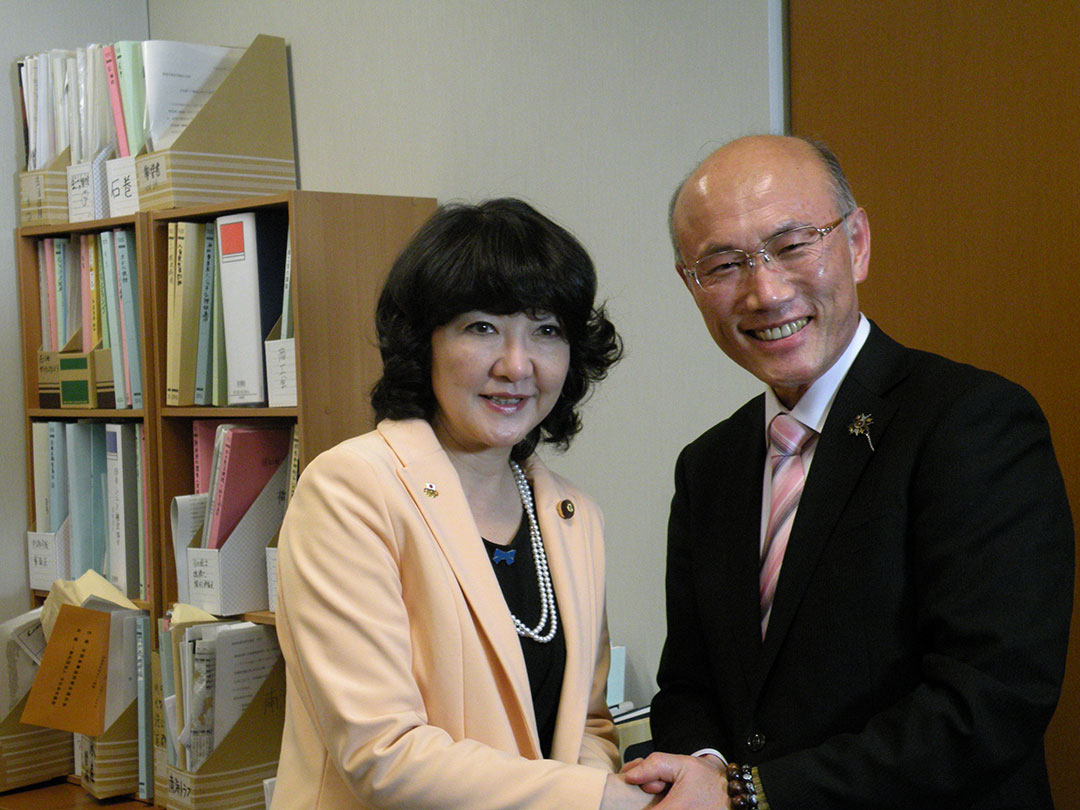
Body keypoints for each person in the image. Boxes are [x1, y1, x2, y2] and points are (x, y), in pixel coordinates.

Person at [622, 135, 1074, 809]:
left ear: (856, 243)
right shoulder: (709, 466)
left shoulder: (971, 421)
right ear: (691, 285)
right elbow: (691, 682)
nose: (765, 291)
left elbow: (990, 701)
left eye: (793, 245)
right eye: (723, 266)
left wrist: (754, 793)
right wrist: (705, 768)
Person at [271, 198, 655, 810]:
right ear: (424, 342)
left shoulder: (572, 514)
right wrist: (598, 800)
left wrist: (600, 784)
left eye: (547, 331)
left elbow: (589, 725)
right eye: (482, 328)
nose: (517, 364)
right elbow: (383, 753)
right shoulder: (350, 490)